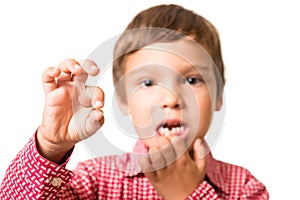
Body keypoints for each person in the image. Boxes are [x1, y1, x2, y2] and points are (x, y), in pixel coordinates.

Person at [0, 4, 268, 200]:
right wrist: (50, 145)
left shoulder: (243, 188)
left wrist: (187, 194)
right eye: (149, 83)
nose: (172, 99)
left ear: (219, 96)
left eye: (192, 80)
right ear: (124, 101)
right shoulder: (95, 181)